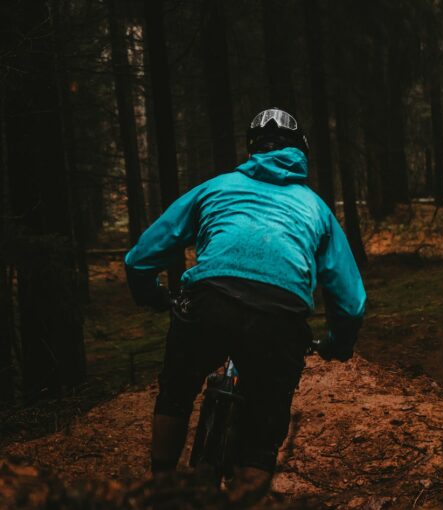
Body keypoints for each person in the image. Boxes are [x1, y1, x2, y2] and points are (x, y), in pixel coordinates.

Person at [124, 107, 366, 502]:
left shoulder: (215, 188)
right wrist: (338, 343)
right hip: (280, 318)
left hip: (210, 302)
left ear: (252, 150)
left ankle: (160, 484)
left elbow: (141, 256)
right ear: (301, 151)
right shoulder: (315, 208)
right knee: (261, 433)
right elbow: (351, 302)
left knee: (177, 391)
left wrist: (149, 295)